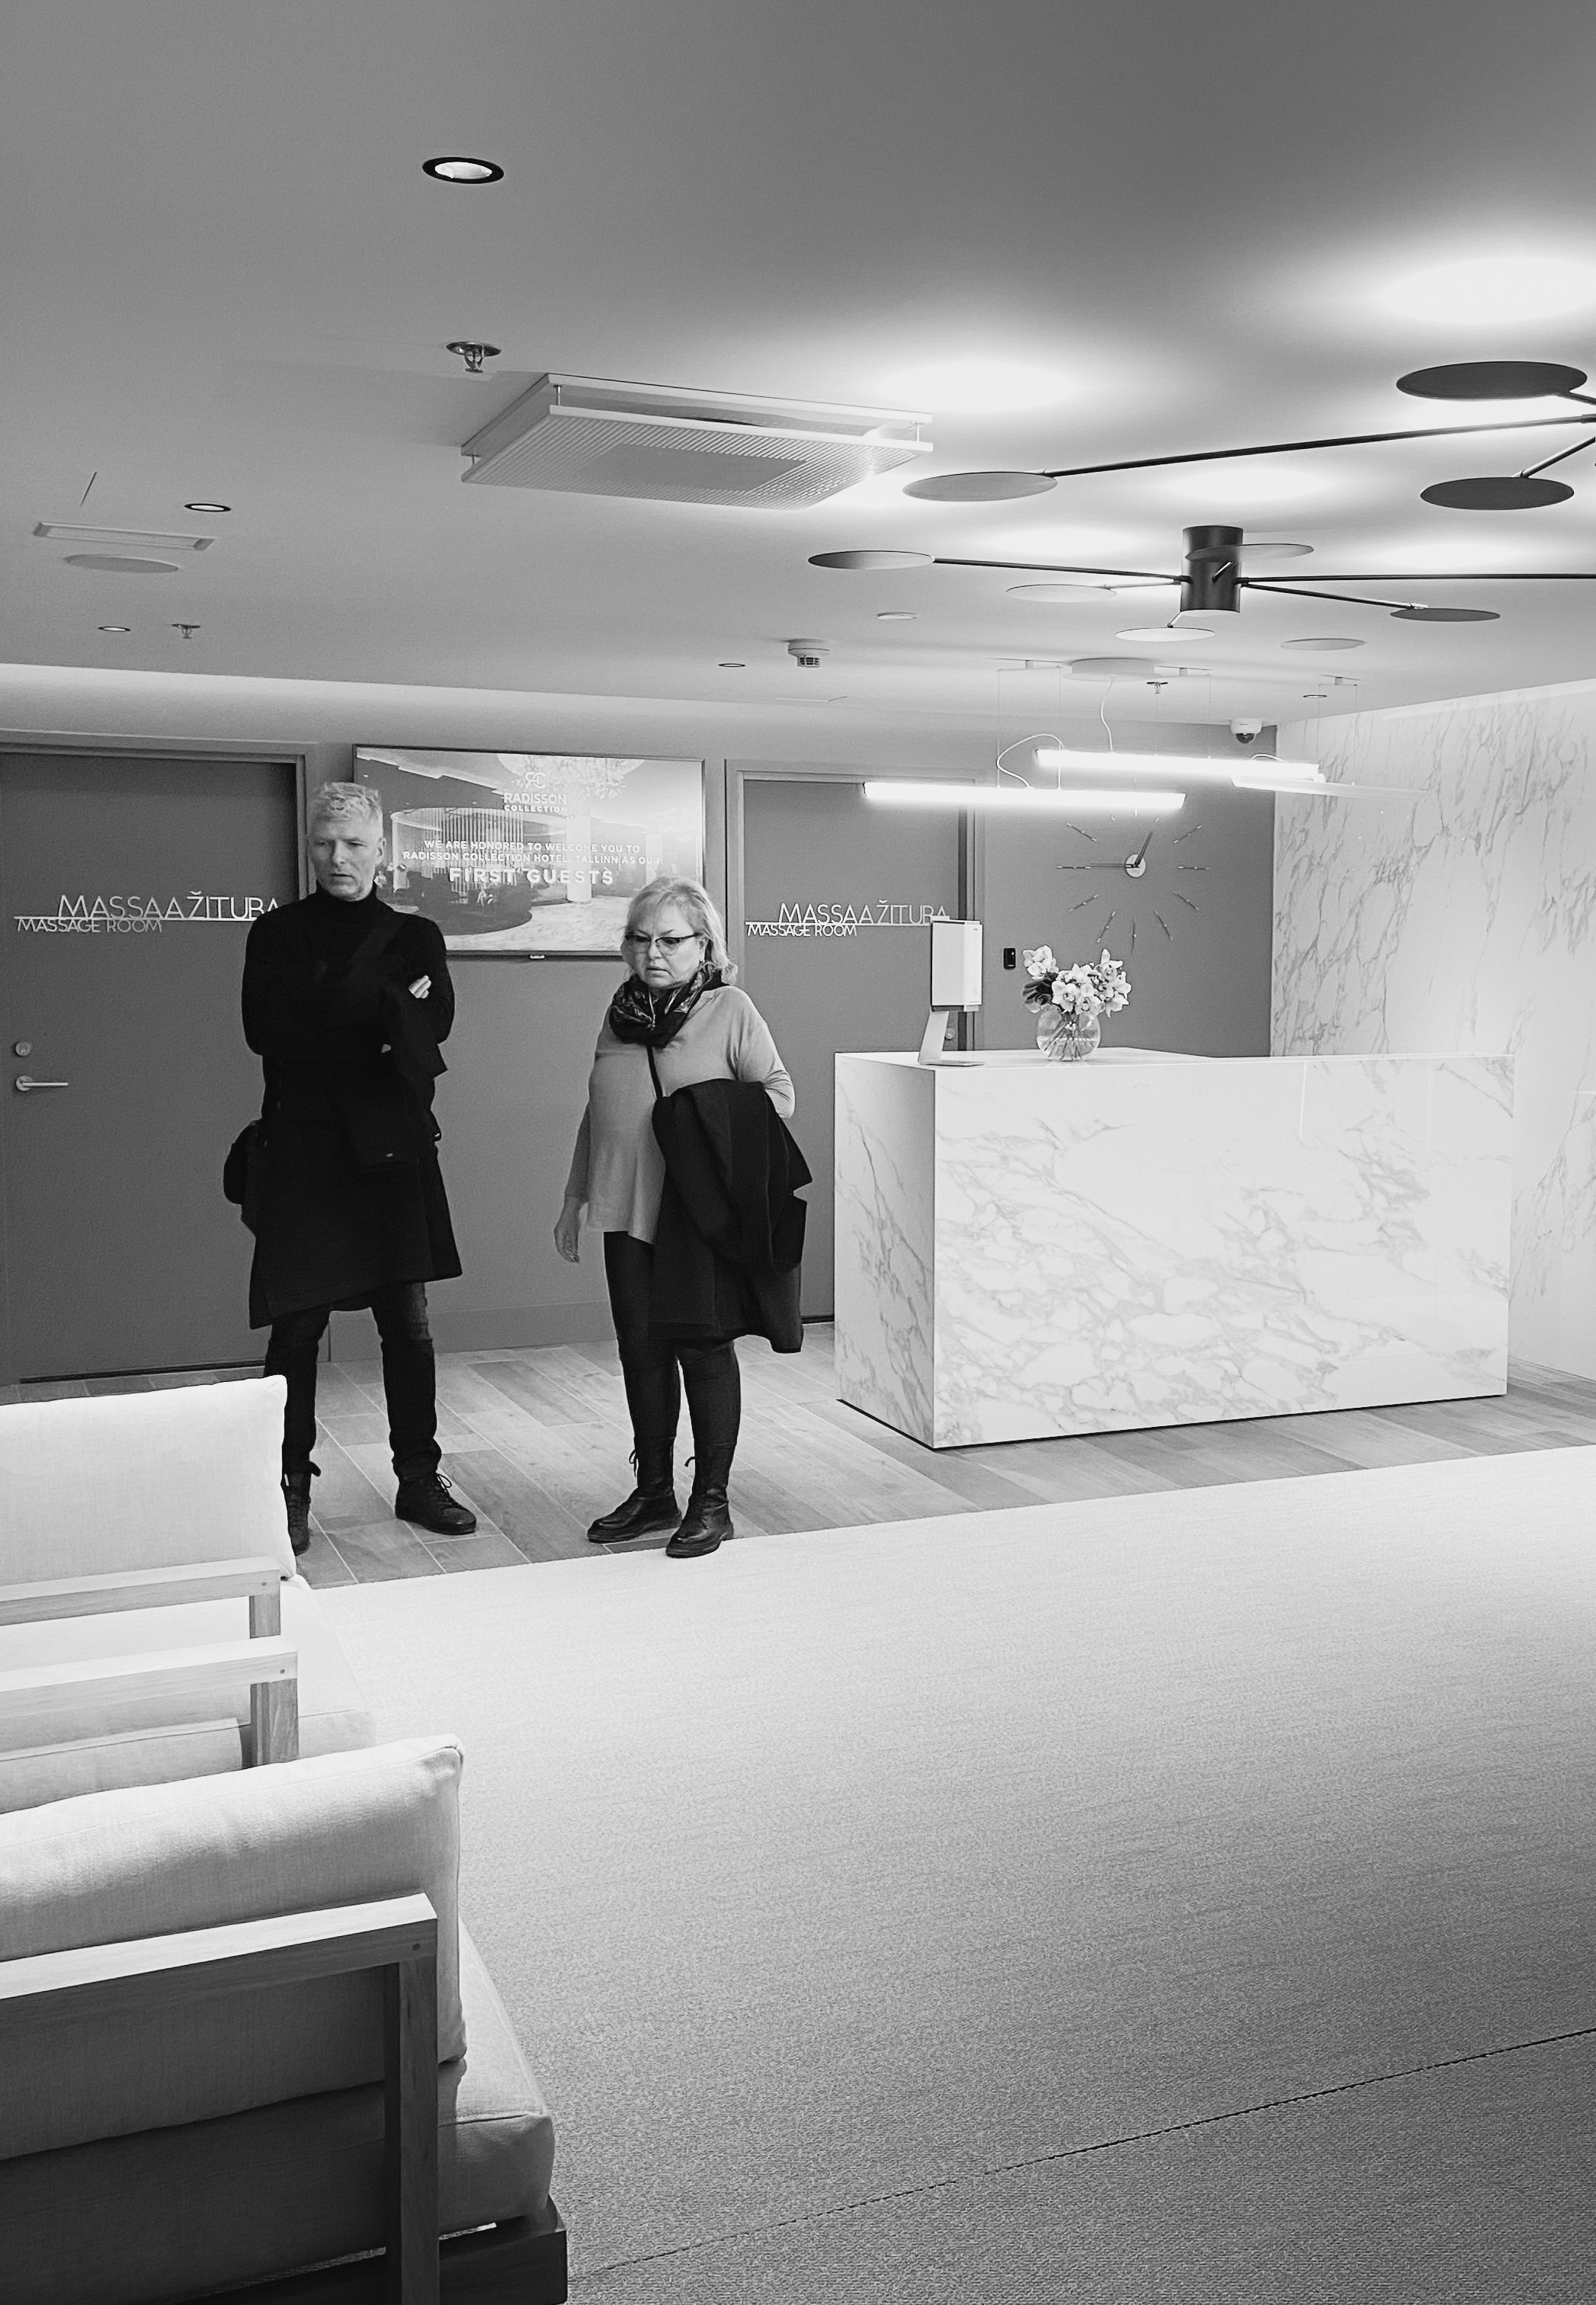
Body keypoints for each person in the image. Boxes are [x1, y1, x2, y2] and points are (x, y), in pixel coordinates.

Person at [242, 782, 477, 1552]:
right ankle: (289, 1486)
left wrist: (333, 1007)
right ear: (309, 847)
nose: (337, 857)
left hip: (389, 1152)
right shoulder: (276, 934)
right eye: (324, 843)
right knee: (296, 1329)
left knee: (408, 1326)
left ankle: (419, 1476)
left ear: (382, 850)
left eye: (352, 844)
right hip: (304, 1151)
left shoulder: (416, 934)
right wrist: (382, 1007)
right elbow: (267, 1034)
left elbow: (431, 1031)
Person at [556, 877, 794, 1558]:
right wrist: (575, 1198)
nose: (652, 953)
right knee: (641, 1350)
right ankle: (654, 1491)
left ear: (704, 944)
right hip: (623, 1209)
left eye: (669, 940)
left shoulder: (729, 1009)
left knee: (702, 1349)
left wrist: (701, 1118)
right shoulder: (620, 1013)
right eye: (639, 939)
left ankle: (712, 1500)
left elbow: (779, 1094)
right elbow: (600, 1109)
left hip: (693, 1215)